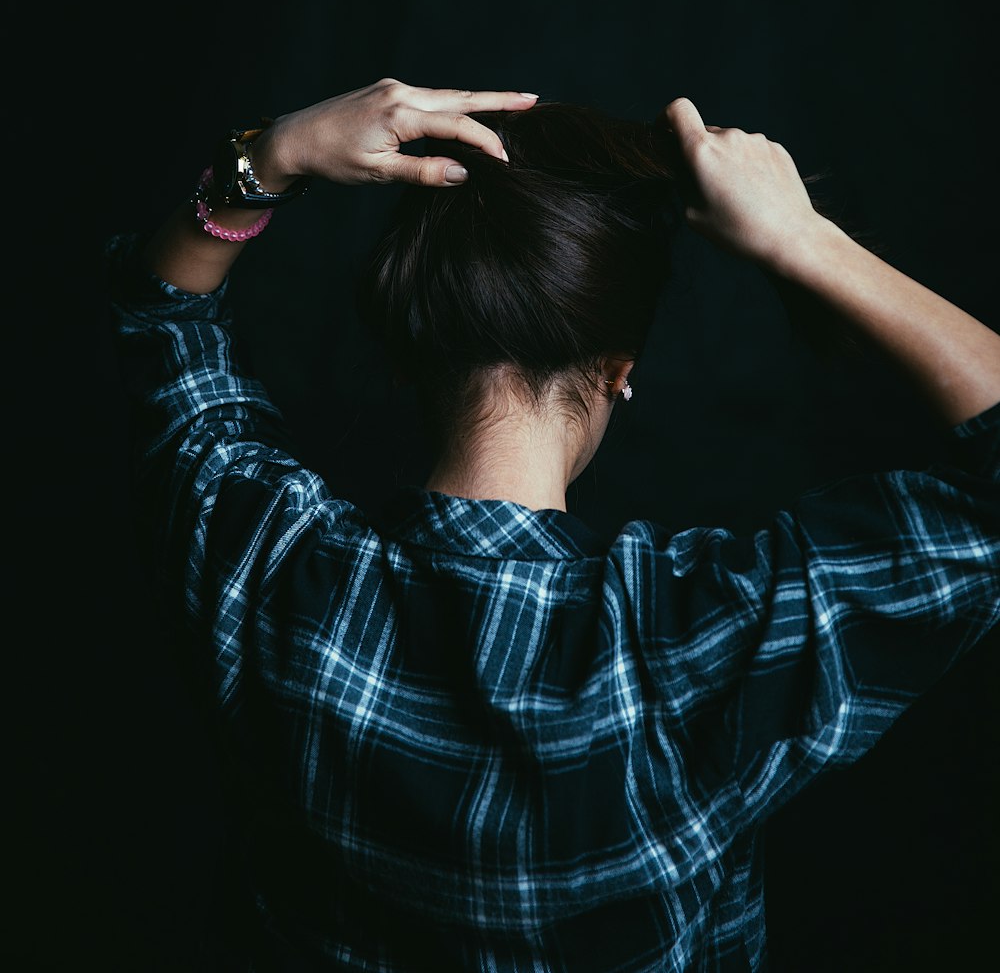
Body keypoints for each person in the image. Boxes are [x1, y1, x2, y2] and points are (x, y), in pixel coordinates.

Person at [106, 78, 999, 972]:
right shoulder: (701, 643)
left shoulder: (265, 568)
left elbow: (162, 319)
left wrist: (271, 156)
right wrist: (806, 241)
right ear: (619, 371)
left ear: (416, 337)